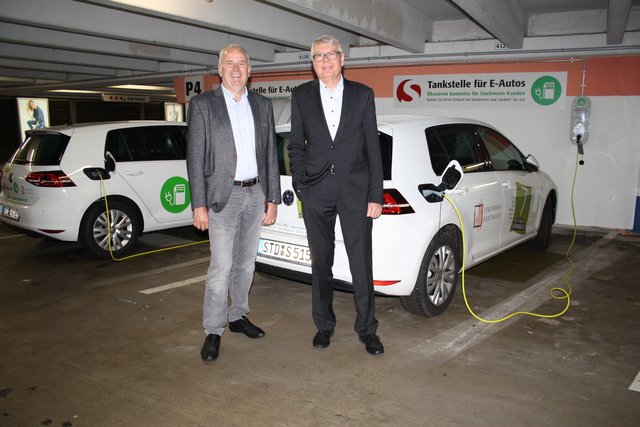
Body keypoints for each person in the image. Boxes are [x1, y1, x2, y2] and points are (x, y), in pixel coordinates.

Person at [288, 35, 385, 355]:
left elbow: (373, 147)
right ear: (312, 63)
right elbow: (295, 144)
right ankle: (324, 326)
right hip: (316, 191)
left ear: (343, 59)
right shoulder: (301, 95)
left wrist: (375, 194)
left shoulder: (362, 95)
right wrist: (301, 184)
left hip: (355, 191)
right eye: (319, 56)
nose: (326, 60)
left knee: (361, 263)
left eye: (331, 55)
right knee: (321, 264)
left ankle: (367, 329)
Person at [187, 44, 281, 362]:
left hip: (255, 194)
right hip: (221, 199)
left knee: (246, 264)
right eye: (230, 63)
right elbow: (195, 157)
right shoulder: (202, 105)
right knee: (221, 266)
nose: (236, 69)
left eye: (242, 63)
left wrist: (272, 198)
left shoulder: (263, 105)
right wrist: (198, 204)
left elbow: (270, 154)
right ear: (220, 68)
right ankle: (213, 330)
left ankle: (238, 316)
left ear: (250, 70)